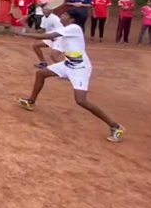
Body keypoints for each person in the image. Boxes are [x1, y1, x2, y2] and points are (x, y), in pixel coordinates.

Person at [17, 8, 125, 143]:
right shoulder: (65, 31)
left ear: (72, 19)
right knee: (41, 73)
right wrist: (25, 26)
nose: (61, 16)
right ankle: (31, 102)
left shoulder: (74, 28)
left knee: (81, 101)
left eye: (64, 14)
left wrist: (23, 34)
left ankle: (115, 126)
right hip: (68, 64)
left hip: (80, 68)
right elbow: (51, 43)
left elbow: (47, 36)